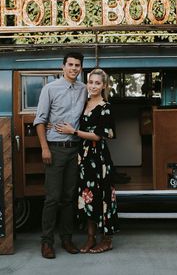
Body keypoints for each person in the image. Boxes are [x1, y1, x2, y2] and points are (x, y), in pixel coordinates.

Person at [55, 68, 119, 254]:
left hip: (98, 158)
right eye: (91, 82)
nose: (93, 86)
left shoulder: (106, 107)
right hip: (83, 157)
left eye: (97, 83)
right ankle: (90, 238)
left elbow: (99, 136)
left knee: (103, 197)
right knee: (86, 196)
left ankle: (106, 240)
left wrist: (73, 132)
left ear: (104, 86)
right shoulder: (84, 103)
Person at [34, 52, 88, 259]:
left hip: (75, 149)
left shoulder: (84, 89)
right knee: (52, 198)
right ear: (63, 66)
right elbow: (40, 120)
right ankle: (47, 243)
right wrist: (44, 148)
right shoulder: (50, 89)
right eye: (70, 64)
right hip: (55, 149)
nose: (74, 68)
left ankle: (67, 239)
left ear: (81, 68)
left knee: (68, 198)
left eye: (77, 65)